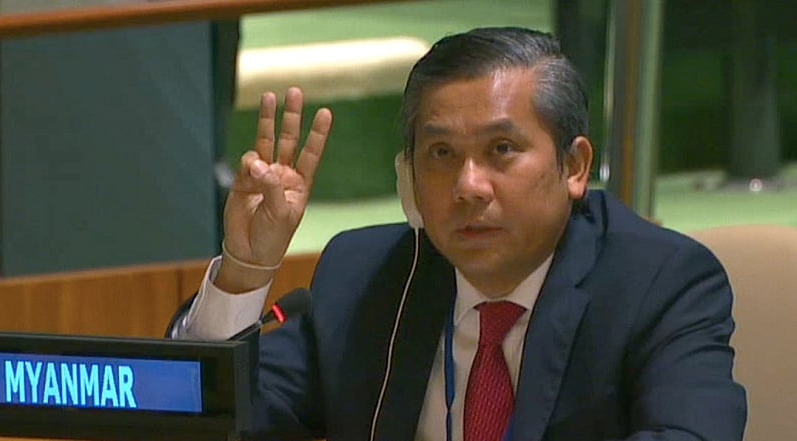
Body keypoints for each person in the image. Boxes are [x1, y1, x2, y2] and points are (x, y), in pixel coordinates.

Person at [171, 27, 747, 441]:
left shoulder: (658, 281)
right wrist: (245, 269)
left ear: (574, 167)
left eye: (501, 150)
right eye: (442, 153)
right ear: (409, 176)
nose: (469, 186)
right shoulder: (366, 274)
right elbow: (226, 422)